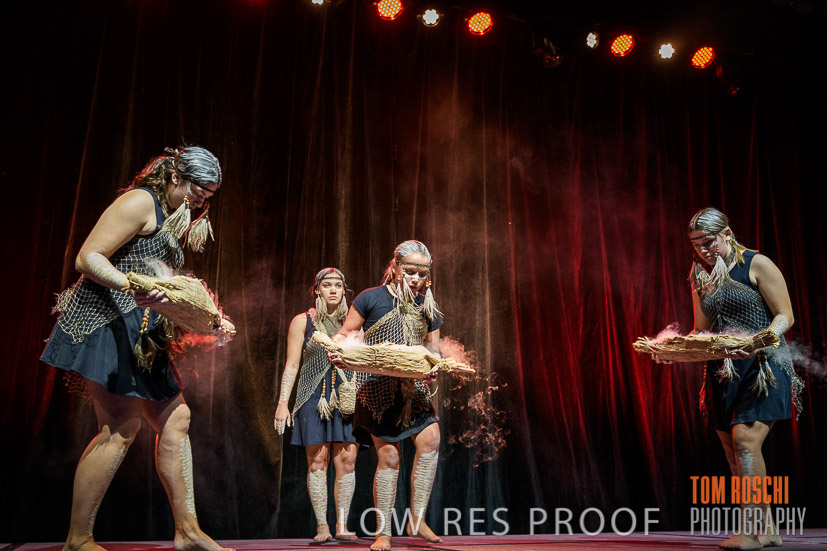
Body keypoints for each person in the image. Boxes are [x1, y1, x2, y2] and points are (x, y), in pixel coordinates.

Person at [40, 146, 230, 551]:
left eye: (208, 198)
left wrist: (207, 316)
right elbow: (87, 257)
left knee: (176, 420)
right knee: (120, 428)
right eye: (198, 192)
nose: (200, 203)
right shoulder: (141, 202)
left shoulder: (172, 214)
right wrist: (131, 285)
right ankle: (77, 539)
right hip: (106, 324)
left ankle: (188, 533)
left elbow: (162, 278)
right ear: (176, 176)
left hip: (141, 331)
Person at [682, 207, 804, 551]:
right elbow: (702, 330)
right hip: (723, 371)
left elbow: (785, 315)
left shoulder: (756, 264)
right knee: (733, 452)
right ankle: (769, 530)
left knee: (746, 442)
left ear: (727, 234)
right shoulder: (700, 275)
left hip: (763, 366)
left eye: (709, 242)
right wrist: (676, 348)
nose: (703, 250)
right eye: (696, 245)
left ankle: (749, 533)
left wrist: (759, 340)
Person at [330, 240, 443, 551]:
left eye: (423, 274)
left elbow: (433, 348)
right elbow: (344, 334)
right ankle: (383, 533)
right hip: (376, 387)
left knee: (431, 439)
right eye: (411, 272)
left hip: (413, 389)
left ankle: (416, 519)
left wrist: (433, 366)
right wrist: (339, 350)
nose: (416, 279)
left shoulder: (427, 306)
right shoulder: (371, 298)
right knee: (389, 457)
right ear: (395, 267)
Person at [274, 268, 359, 542]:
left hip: (346, 395)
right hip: (313, 396)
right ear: (317, 290)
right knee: (317, 461)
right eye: (327, 285)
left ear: (344, 290)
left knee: (347, 461)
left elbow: (365, 360)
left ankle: (342, 525)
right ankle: (322, 526)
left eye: (338, 285)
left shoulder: (355, 322)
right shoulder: (303, 321)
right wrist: (283, 403)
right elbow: (292, 364)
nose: (333, 289)